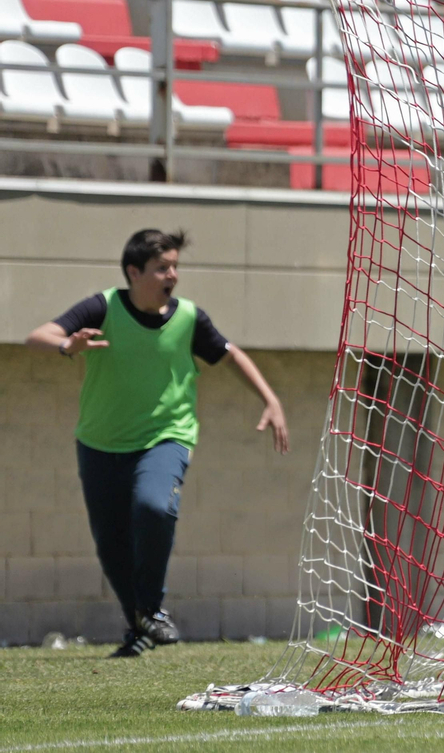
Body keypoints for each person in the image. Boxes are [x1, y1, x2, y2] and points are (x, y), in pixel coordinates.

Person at [25, 229, 289, 658]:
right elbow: (36, 337)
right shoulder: (103, 306)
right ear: (134, 272)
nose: (173, 275)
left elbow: (231, 354)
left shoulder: (188, 317)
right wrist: (66, 345)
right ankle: (140, 626)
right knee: (110, 546)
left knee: (153, 505)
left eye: (175, 266)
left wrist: (271, 400)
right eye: (162, 267)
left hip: (165, 438)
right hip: (99, 443)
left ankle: (151, 608)